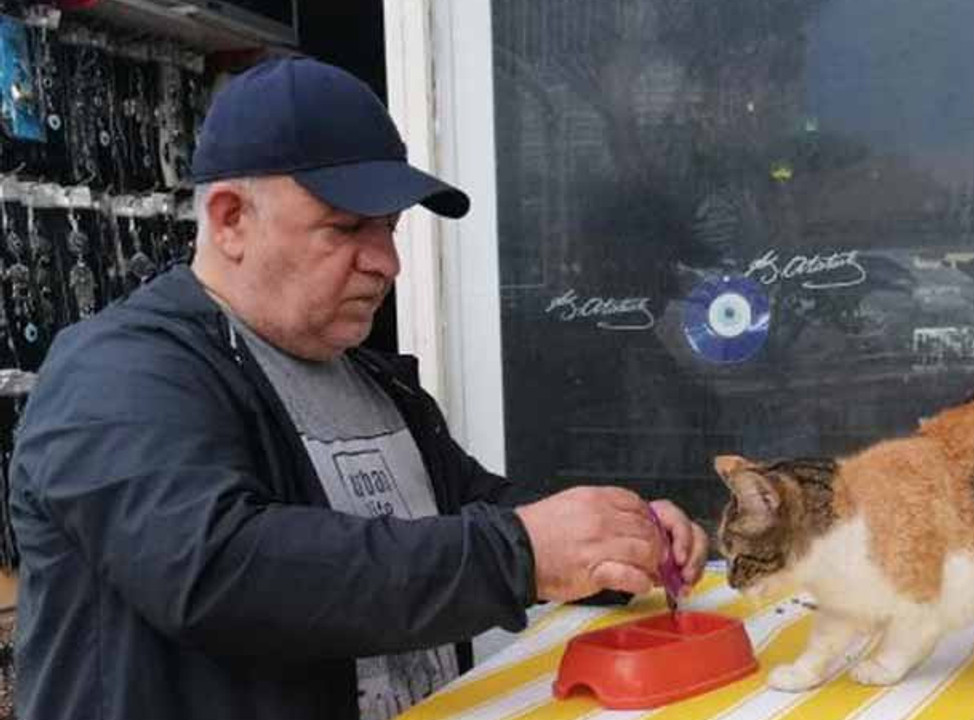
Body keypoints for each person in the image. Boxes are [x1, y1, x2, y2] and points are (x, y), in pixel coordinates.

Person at [8, 58, 708, 720]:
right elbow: (215, 569)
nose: (387, 262)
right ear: (229, 220)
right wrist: (521, 552)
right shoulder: (116, 372)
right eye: (344, 229)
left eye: (391, 229)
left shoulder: (371, 379)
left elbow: (471, 510)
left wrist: (608, 542)